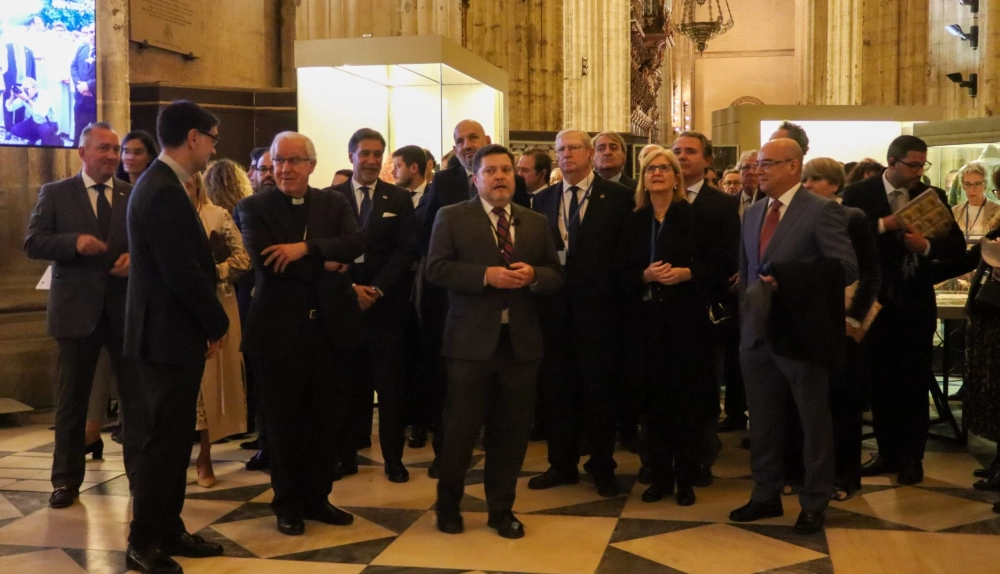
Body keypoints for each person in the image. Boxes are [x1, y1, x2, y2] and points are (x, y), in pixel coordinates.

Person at [428, 143, 564, 538]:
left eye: (507, 170)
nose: (501, 177)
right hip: (470, 342)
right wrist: (486, 276)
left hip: (520, 344)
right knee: (460, 431)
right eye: (491, 171)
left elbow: (556, 274)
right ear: (476, 179)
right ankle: (449, 506)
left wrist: (534, 276)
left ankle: (501, 510)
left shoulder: (535, 221)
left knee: (512, 431)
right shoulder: (451, 217)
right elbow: (435, 269)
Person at [237, 131, 364, 536]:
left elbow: (356, 243)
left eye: (294, 161)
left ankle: (318, 497)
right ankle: (287, 503)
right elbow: (268, 263)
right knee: (283, 422)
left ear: (311, 165)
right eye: (279, 161)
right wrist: (327, 262)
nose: (286, 169)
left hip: (330, 330)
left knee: (325, 419)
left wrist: (305, 250)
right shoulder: (253, 206)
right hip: (278, 332)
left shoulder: (334, 201)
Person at [729, 138, 858, 535]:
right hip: (758, 334)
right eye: (756, 165)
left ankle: (814, 500)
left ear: (793, 167)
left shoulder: (820, 212)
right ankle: (765, 494)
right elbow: (746, 272)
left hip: (802, 334)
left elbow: (845, 268)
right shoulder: (752, 213)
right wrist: (746, 324)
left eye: (767, 164)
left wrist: (791, 278)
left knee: (813, 421)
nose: (758, 171)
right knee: (763, 422)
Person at [124, 101, 229, 573]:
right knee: (164, 442)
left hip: (170, 333)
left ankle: (168, 529)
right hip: (167, 336)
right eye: (211, 137)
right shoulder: (163, 189)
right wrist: (217, 322)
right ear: (192, 137)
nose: (212, 147)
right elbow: (181, 273)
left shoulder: (162, 183)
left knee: (175, 436)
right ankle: (143, 542)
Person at [24, 122, 142, 508]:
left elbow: (151, 243)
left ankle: (141, 478)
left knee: (136, 401)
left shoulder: (132, 193)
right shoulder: (56, 194)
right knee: (72, 402)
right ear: (83, 153)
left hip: (125, 311)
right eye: (104, 149)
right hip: (76, 314)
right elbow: (33, 241)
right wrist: (73, 242)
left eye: (116, 149)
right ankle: (65, 481)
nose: (112, 156)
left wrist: (135, 261)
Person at [841, 135, 966, 486]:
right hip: (875, 302)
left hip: (914, 302)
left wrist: (925, 245)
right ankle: (887, 451)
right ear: (891, 162)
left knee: (912, 382)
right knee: (878, 380)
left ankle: (913, 458)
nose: (918, 172)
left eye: (922, 165)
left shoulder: (932, 195)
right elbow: (846, 235)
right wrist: (885, 225)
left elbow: (954, 243)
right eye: (912, 165)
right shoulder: (859, 194)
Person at [418, 119, 530, 476]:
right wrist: (478, 275)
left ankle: (499, 495)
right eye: (459, 140)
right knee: (455, 401)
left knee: (506, 413)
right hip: (457, 308)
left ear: (487, 141)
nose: (465, 145)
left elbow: (525, 234)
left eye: (472, 139)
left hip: (509, 312)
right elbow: (428, 244)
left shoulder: (516, 189)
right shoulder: (445, 183)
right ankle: (445, 461)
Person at [529, 129, 634, 497]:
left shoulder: (619, 198)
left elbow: (626, 257)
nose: (567, 155)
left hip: (600, 314)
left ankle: (602, 466)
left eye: (574, 148)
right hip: (554, 315)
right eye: (561, 150)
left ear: (590, 154)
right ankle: (562, 464)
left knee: (599, 395)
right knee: (557, 393)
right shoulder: (541, 201)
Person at [618, 146, 725, 507]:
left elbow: (719, 266)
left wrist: (687, 273)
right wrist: (643, 275)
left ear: (677, 178)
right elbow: (617, 273)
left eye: (665, 168)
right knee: (653, 404)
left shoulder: (694, 217)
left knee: (686, 403)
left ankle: (686, 479)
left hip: (686, 323)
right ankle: (659, 476)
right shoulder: (634, 219)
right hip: (645, 323)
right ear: (644, 180)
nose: (658, 173)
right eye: (651, 169)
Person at [333, 128, 418, 484]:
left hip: (387, 310)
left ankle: (393, 459)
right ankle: (345, 456)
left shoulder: (398, 199)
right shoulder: (330, 197)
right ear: (351, 154)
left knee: (391, 389)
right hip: (345, 307)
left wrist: (377, 289)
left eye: (377, 154)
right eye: (364, 153)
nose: (370, 160)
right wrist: (352, 287)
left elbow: (407, 251)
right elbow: (328, 249)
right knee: (347, 388)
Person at [800, 158, 881, 497]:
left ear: (834, 185)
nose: (807, 185)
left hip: (845, 321)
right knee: (811, 401)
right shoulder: (800, 216)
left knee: (844, 403)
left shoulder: (853, 217)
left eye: (815, 179)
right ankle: (810, 473)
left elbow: (871, 272)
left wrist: (853, 318)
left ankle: (845, 476)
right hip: (811, 320)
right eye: (804, 179)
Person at [671, 131, 740, 476]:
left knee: (703, 386)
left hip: (703, 307)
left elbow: (729, 261)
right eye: (677, 151)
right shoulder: (656, 198)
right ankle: (665, 455)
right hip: (662, 309)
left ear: (707, 161)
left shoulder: (721, 204)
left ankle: (701, 455)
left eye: (690, 152)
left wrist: (690, 273)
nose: (682, 157)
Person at [187, 165, 251, 488]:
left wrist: (216, 271)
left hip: (216, 303)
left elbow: (243, 258)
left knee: (210, 385)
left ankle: (205, 456)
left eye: (189, 183)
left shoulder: (217, 215)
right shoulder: (161, 216)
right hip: (178, 310)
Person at [4, 77, 60, 145]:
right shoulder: (25, 96)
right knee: (15, 130)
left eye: (27, 89)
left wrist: (27, 99)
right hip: (34, 122)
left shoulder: (44, 95)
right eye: (24, 89)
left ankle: (46, 142)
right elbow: (9, 108)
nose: (25, 91)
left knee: (44, 130)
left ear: (35, 89)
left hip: (49, 124)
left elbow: (42, 113)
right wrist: (12, 97)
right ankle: (33, 138)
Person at [953, 162, 1000, 238]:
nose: (972, 189)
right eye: (967, 184)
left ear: (985, 185)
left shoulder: (997, 210)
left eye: (977, 184)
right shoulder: (954, 211)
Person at [70, 25, 96, 147]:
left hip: (96, 101)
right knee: (78, 136)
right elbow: (73, 67)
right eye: (91, 32)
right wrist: (80, 86)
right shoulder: (82, 48)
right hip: (80, 100)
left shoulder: (106, 51)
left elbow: (108, 73)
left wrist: (89, 85)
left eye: (96, 32)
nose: (94, 34)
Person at [2, 39, 36, 132]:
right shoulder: (6, 47)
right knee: (8, 106)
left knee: (21, 106)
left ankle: (18, 129)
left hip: (25, 84)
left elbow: (32, 70)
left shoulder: (28, 50)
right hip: (9, 83)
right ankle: (9, 129)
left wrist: (33, 85)